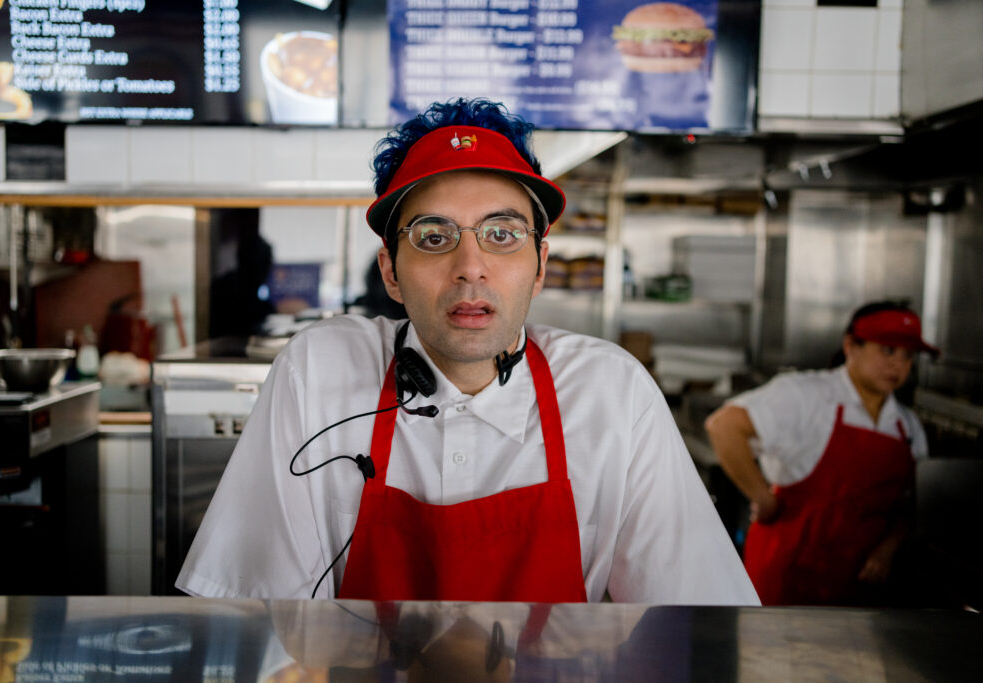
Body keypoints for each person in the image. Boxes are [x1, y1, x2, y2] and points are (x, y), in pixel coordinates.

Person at [177, 97, 757, 605]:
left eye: (502, 234)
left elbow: (692, 619)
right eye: (434, 237)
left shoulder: (611, 392)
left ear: (539, 268)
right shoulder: (318, 374)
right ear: (392, 273)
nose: (470, 267)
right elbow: (261, 614)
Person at [704, 301, 937, 606]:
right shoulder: (806, 395)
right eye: (887, 350)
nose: (898, 364)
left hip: (859, 588)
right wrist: (762, 497)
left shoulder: (907, 426)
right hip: (787, 578)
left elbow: (911, 504)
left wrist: (887, 550)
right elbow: (724, 426)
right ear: (851, 345)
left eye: (908, 356)